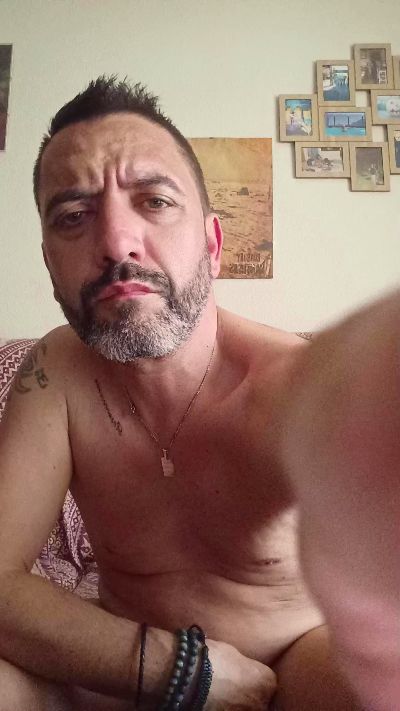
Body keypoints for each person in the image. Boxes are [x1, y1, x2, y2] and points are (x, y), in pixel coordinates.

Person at [0, 76, 398, 711]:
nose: (116, 243)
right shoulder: (54, 373)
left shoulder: (292, 383)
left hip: (290, 667)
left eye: (154, 202)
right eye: (74, 217)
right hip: (121, 668)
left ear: (212, 244)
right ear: (50, 264)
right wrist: (175, 670)